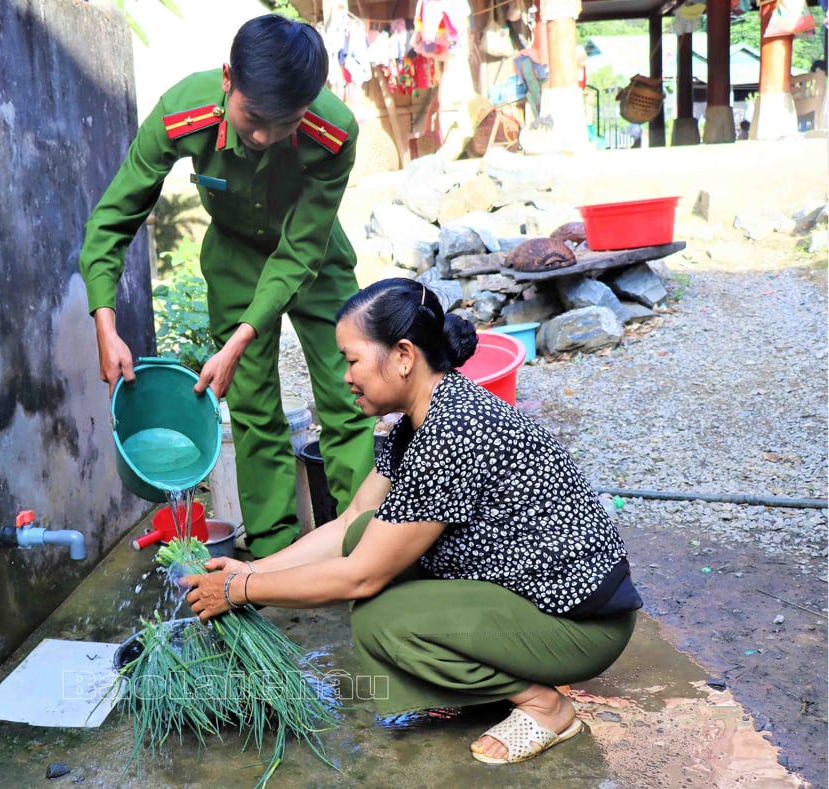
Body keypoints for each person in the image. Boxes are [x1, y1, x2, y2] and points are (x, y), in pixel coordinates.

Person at [183, 278, 640, 764]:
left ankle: (544, 706)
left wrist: (239, 592)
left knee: (384, 621)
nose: (345, 376)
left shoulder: (451, 431)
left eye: (352, 359)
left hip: (581, 627)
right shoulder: (418, 422)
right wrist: (252, 570)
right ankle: (505, 674)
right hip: (535, 599)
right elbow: (354, 519)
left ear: (403, 355)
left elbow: (361, 576)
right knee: (365, 535)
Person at [79, 14, 375, 557]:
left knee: (349, 395)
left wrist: (240, 338)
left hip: (313, 258)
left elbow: (299, 249)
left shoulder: (335, 132)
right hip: (235, 258)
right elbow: (114, 217)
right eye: (253, 117)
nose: (264, 137)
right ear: (227, 80)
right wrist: (105, 319)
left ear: (308, 106)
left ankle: (365, 552)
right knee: (254, 410)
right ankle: (272, 558)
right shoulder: (180, 113)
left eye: (283, 123)